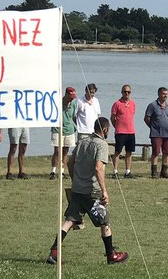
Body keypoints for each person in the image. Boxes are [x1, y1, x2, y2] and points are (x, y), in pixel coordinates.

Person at [47, 116, 129, 265]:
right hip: (92, 192)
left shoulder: (82, 142)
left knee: (70, 220)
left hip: (77, 190)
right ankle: (111, 255)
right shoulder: (101, 145)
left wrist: (75, 180)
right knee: (104, 222)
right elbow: (98, 168)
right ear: (105, 130)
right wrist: (104, 191)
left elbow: (70, 162)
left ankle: (54, 251)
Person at [143, 86, 168, 179]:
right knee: (156, 152)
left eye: (166, 94)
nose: (165, 96)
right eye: (163, 94)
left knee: (167, 152)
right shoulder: (152, 105)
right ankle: (154, 172)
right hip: (156, 134)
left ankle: (164, 171)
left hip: (167, 133)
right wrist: (153, 127)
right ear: (159, 94)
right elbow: (146, 118)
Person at [50, 87, 79, 180]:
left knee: (66, 151)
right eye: (70, 96)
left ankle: (62, 171)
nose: (72, 98)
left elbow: (73, 116)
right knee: (57, 151)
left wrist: (77, 126)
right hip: (58, 129)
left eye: (73, 97)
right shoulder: (58, 102)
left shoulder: (74, 103)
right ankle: (53, 171)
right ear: (66, 94)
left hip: (69, 129)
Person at [110, 84, 137, 178]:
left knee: (129, 152)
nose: (127, 93)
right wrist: (117, 127)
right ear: (121, 92)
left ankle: (128, 172)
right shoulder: (117, 103)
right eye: (125, 91)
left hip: (131, 131)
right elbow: (112, 118)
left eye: (128, 92)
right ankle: (115, 172)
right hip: (120, 132)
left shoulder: (133, 103)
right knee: (117, 152)